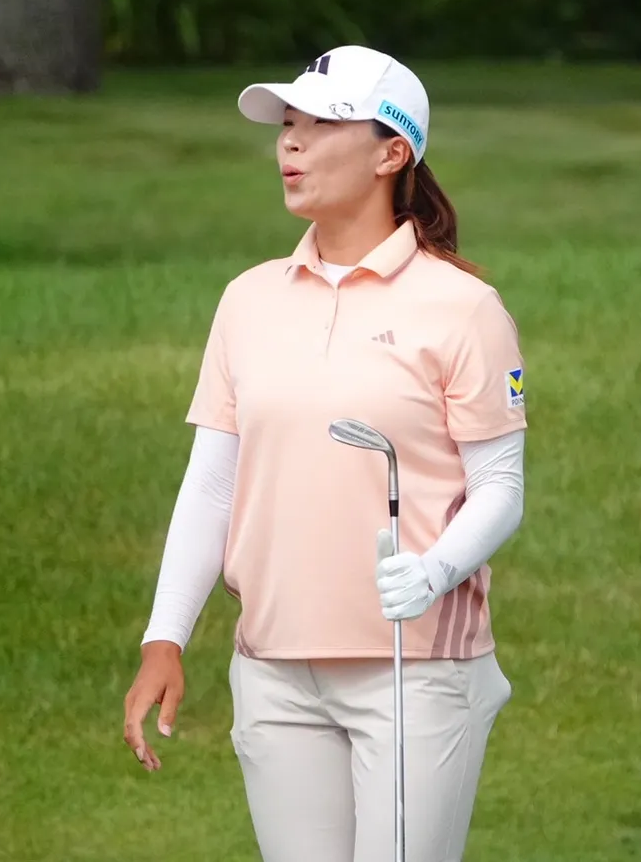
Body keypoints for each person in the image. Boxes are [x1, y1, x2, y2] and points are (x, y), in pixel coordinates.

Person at [122, 45, 528, 862]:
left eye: (320, 124)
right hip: (273, 668)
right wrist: (165, 637)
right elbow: (213, 484)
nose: (291, 142)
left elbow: (499, 486)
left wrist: (435, 571)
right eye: (287, 124)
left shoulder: (465, 309)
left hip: (415, 669)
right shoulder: (248, 300)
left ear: (392, 153)